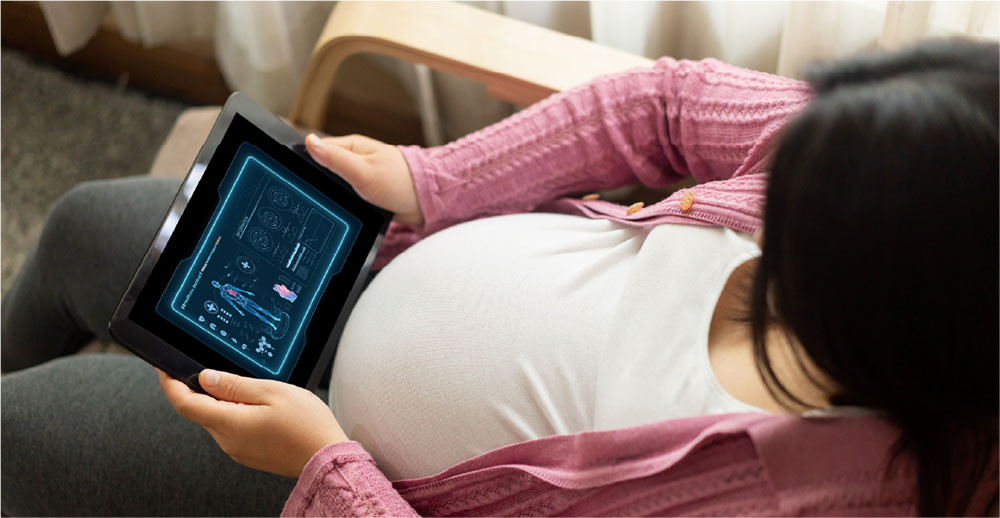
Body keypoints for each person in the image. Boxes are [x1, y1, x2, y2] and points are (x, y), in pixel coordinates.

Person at [1, 37, 996, 516]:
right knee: (88, 223)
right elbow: (662, 105)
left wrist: (327, 469)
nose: (771, 193)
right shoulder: (922, 160)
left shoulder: (814, 496)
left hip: (343, 472)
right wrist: (433, 181)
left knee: (28, 429)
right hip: (383, 258)